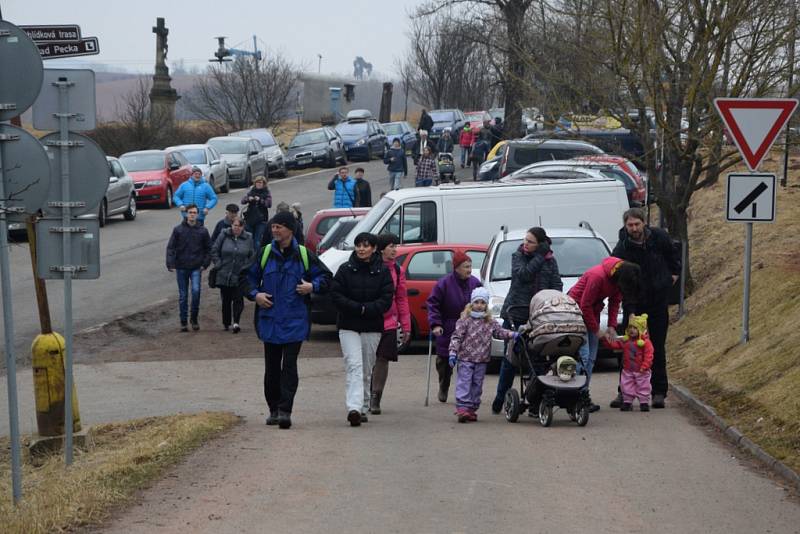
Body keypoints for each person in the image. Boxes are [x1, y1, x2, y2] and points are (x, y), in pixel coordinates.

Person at [246, 210, 331, 430]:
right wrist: (256, 294)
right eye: (273, 227)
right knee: (272, 368)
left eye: (279, 227)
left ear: (290, 230)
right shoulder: (264, 253)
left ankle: (285, 411)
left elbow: (326, 277)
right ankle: (273, 409)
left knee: (290, 367)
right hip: (270, 320)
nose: (274, 230)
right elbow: (246, 277)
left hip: (295, 320)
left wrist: (313, 286)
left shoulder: (303, 254)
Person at [610, 208, 680, 409]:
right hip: (635, 303)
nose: (634, 228)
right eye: (630, 225)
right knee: (629, 349)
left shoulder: (659, 238)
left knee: (656, 346)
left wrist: (671, 277)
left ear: (644, 223)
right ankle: (624, 392)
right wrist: (630, 308)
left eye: (637, 224)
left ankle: (658, 392)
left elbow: (674, 257)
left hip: (657, 300)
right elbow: (618, 276)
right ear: (625, 226)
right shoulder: (622, 248)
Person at [492, 227, 563, 414]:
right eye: (525, 240)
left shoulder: (551, 261)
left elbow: (556, 284)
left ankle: (534, 400)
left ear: (539, 244)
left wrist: (553, 300)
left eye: (530, 241)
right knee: (510, 359)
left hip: (539, 316)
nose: (526, 244)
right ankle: (501, 398)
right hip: (515, 314)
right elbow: (523, 275)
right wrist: (538, 257)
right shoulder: (518, 256)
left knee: (537, 360)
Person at [331, 232, 394, 427]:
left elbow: (386, 298)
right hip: (348, 325)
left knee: (367, 368)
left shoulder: (383, 272)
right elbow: (336, 294)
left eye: (366, 245)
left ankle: (364, 405)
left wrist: (368, 309)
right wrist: (356, 308)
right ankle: (354, 408)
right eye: (358, 245)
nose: (361, 248)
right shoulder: (344, 269)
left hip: (372, 326)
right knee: (354, 366)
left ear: (374, 248)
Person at [568, 257, 642, 412]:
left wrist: (611, 326)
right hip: (576, 314)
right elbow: (585, 305)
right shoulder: (598, 277)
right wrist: (597, 331)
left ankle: (582, 394)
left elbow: (615, 302)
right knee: (585, 355)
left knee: (592, 358)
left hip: (592, 313)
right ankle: (576, 395)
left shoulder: (618, 279)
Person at [449, 287, 517, 423]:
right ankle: (463, 407)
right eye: (476, 302)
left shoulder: (489, 321)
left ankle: (472, 408)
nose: (479, 305)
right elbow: (457, 337)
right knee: (464, 382)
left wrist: (511, 334)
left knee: (477, 384)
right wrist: (453, 352)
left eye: (482, 303)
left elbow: (499, 332)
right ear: (471, 304)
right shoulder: (465, 320)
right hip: (466, 358)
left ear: (486, 305)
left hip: (481, 359)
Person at [426, 251, 482, 402]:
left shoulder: (475, 283)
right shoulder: (443, 283)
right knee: (444, 362)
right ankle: (444, 385)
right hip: (448, 327)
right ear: (456, 268)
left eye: (470, 266)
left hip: (470, 328)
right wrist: (436, 324)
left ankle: (464, 393)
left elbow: (483, 304)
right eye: (466, 267)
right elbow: (433, 304)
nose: (469, 270)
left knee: (468, 363)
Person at [369, 233, 411, 415]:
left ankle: (376, 396)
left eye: (396, 246)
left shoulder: (398, 270)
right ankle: (363, 394)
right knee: (368, 360)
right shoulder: (371, 266)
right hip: (370, 319)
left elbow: (401, 298)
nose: (395, 249)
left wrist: (406, 325)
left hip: (390, 322)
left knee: (383, 359)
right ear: (381, 248)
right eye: (391, 246)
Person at [166, 204, 211, 332]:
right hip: (181, 267)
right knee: (183, 295)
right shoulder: (178, 230)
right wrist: (170, 263)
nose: (192, 214)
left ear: (197, 214)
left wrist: (205, 264)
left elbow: (209, 248)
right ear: (186, 214)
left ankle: (194, 318)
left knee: (196, 292)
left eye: (194, 212)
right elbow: (171, 247)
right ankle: (183, 321)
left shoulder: (203, 231)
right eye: (190, 212)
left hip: (196, 267)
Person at [211, 216, 255, 333]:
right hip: (224, 273)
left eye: (239, 226)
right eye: (235, 225)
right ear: (231, 225)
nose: (236, 228)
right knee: (226, 300)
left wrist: (245, 268)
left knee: (238, 299)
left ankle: (236, 323)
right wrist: (218, 263)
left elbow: (252, 256)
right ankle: (226, 323)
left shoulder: (248, 238)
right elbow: (214, 249)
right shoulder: (224, 235)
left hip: (239, 275)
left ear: (243, 227)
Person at [606, 314, 654, 412]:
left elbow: (649, 355)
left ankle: (644, 402)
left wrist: (645, 365)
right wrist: (607, 341)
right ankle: (627, 401)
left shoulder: (645, 342)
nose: (631, 330)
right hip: (628, 369)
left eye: (635, 328)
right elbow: (615, 345)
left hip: (641, 370)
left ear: (641, 330)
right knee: (626, 385)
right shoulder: (626, 341)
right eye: (630, 327)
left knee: (644, 385)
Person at [241, 176, 272, 252]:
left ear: (264, 184)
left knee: (257, 240)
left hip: (261, 220)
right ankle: (250, 256)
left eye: (260, 182)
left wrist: (260, 200)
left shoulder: (266, 192)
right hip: (250, 218)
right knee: (249, 239)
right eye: (257, 182)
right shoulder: (251, 191)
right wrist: (248, 199)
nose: (258, 184)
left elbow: (269, 204)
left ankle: (258, 256)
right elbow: (242, 201)